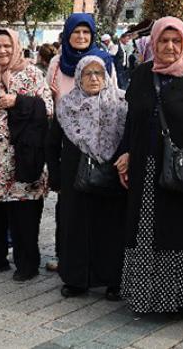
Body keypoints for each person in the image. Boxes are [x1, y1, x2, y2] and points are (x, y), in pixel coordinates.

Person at [114, 17, 183, 319]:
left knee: (179, 231)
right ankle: (143, 294)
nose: (169, 46)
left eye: (176, 41)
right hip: (144, 168)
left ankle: (180, 297)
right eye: (163, 41)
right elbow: (132, 119)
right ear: (153, 42)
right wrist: (125, 151)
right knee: (144, 230)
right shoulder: (141, 75)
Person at [0, 28, 52, 279]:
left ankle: (27, 264)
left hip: (22, 154)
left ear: (16, 47)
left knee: (23, 212)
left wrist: (18, 101)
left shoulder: (32, 74)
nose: (2, 50)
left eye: (7, 45)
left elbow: (47, 109)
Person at [47, 54, 126, 300]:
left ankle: (113, 280)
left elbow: (129, 138)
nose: (93, 78)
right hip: (75, 175)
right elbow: (52, 143)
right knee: (76, 226)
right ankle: (77, 279)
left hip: (112, 174)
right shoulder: (67, 105)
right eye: (87, 74)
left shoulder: (120, 104)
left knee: (111, 226)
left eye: (98, 73)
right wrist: (56, 177)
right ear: (79, 77)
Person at [47, 13, 115, 104]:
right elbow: (46, 93)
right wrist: (50, 95)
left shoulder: (103, 61)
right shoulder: (57, 62)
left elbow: (113, 96)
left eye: (86, 32)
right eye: (76, 31)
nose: (81, 36)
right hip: (62, 116)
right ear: (68, 34)